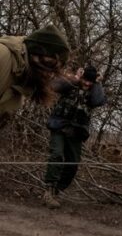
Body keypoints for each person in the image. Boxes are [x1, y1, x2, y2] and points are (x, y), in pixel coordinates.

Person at [43, 65, 106, 209]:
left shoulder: (94, 92)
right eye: (85, 80)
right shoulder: (71, 84)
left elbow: (98, 101)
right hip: (59, 127)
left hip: (76, 133)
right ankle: (49, 190)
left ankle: (56, 190)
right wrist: (76, 78)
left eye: (90, 81)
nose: (87, 83)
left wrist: (98, 82)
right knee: (57, 155)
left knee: (73, 164)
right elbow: (54, 86)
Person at [0, 25, 70, 119]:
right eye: (49, 64)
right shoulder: (3, 56)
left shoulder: (24, 81)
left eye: (56, 70)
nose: (50, 74)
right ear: (35, 53)